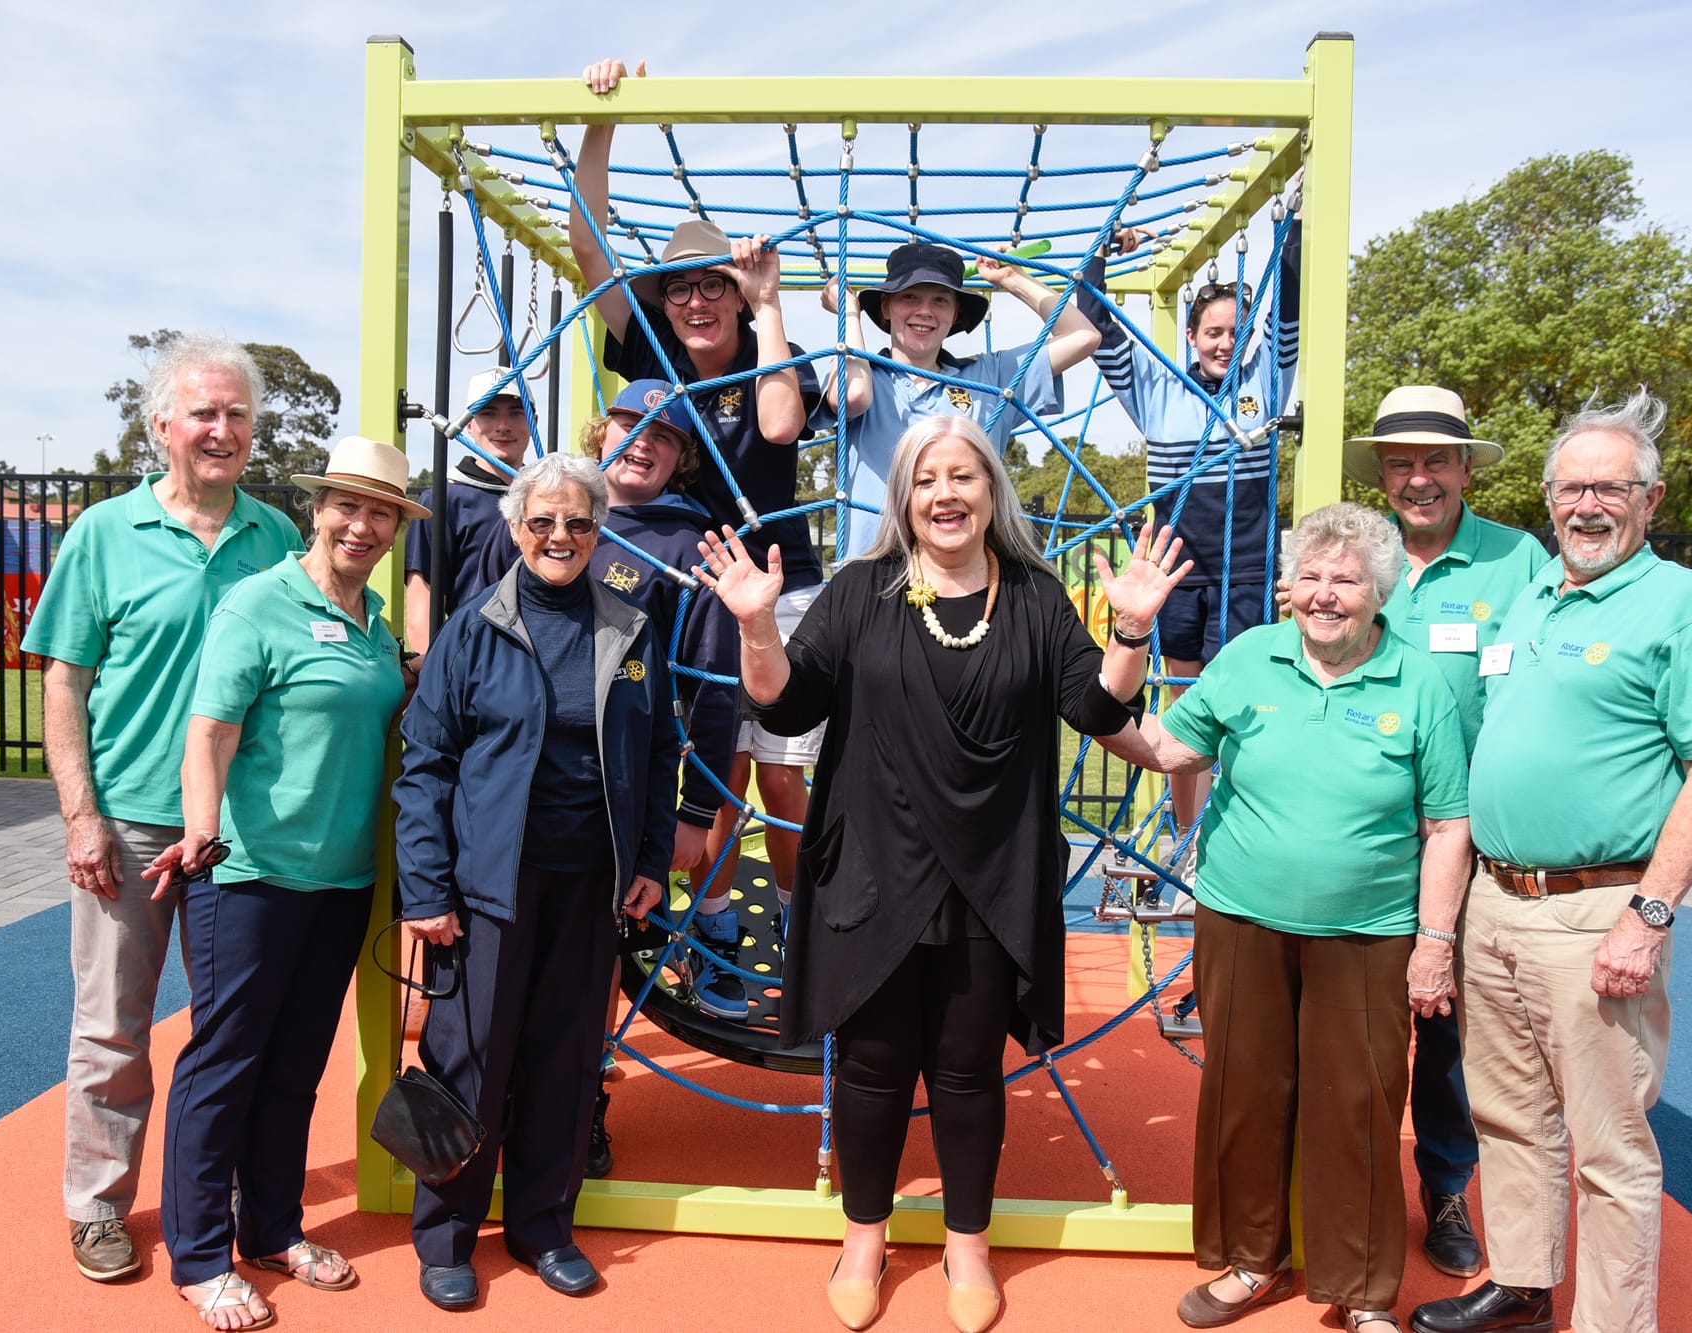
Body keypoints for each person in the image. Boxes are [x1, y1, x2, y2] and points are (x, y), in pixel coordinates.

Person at [696, 414, 1189, 1333]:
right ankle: (864, 1236)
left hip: (989, 872)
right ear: (905, 497)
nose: (946, 494)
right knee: (874, 1067)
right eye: (927, 480)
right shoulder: (860, 591)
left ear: (992, 490)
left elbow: (1092, 704)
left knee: (966, 1069)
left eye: (964, 476)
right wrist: (757, 623)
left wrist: (1128, 628)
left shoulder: (1036, 597)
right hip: (874, 868)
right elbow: (788, 698)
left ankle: (969, 1243)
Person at [1410, 391, 1692, 1333]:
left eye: (1610, 486)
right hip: (1497, 899)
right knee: (1510, 1116)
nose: (1586, 505)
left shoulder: (1683, 604)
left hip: (1597, 907)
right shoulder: (1532, 595)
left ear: (1652, 497)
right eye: (1570, 487)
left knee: (1609, 1143)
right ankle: (1522, 1284)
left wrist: (1648, 916)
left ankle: (1612, 1322)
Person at [1100, 502, 1472, 1332]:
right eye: (1311, 575)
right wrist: (1128, 637)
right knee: (1245, 1091)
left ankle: (1364, 1289)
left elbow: (1448, 825)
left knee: (1362, 1104)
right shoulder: (1249, 660)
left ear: (1378, 593)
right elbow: (1160, 746)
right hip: (1243, 918)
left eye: (1346, 578)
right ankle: (1250, 1260)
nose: (1326, 593)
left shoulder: (1418, 683)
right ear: (1287, 587)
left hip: (1370, 930)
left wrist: (1435, 944)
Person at [21, 333, 304, 1285]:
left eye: (236, 414)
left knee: (236, 1024)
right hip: (137, 817)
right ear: (161, 427)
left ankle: (214, 1182)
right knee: (113, 1021)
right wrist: (80, 815)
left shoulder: (278, 536)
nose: (221, 429)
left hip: (239, 826)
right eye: (203, 413)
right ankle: (99, 1201)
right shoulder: (104, 534)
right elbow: (66, 684)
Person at [144, 437, 424, 1330]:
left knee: (297, 1066)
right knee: (224, 1063)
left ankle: (270, 1227)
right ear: (319, 508)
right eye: (348, 504)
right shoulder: (258, 602)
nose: (362, 523)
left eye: (380, 511)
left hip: (341, 881)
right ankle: (197, 1257)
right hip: (249, 875)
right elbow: (210, 732)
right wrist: (199, 830)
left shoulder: (376, 623)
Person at [394, 452, 678, 1312]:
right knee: (468, 1059)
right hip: (489, 888)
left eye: (579, 522)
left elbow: (660, 748)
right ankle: (445, 1234)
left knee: (563, 1059)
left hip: (589, 882)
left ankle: (544, 1225)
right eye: (544, 521)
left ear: (598, 531)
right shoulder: (474, 626)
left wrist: (652, 862)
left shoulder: (628, 626)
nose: (561, 535)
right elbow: (427, 764)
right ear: (517, 528)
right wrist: (426, 887)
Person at [573, 57, 820, 949]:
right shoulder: (651, 360)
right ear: (663, 304)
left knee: (780, 774)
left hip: (776, 579)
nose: (698, 299)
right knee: (694, 759)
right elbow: (590, 249)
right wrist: (606, 119)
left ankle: (798, 924)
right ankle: (708, 919)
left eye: (714, 283)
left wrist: (770, 302)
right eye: (681, 287)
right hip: (682, 579)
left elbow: (783, 425)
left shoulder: (765, 344)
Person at [1341, 384, 1549, 1279]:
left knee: (1454, 1026)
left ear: (1466, 467)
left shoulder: (1518, 561)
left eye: (1436, 460)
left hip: (1465, 839)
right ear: (1381, 473)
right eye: (1401, 461)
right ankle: (1347, 1190)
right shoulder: (1358, 555)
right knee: (1353, 1022)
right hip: (1361, 834)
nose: (1418, 477)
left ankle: (1449, 1186)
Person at [1075, 212, 1301, 881]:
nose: (1225, 343)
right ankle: (1184, 835)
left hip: (1244, 569)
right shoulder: (1159, 390)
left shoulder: (1266, 385)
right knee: (1183, 705)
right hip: (1174, 571)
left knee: (1240, 702)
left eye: (1236, 331)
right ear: (1193, 337)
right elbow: (1096, 324)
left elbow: (1287, 312)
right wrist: (1101, 252)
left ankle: (1234, 831)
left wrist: (1285, 231)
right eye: (1213, 332)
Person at [586, 379, 743, 1021]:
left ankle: (583, 1094)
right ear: (602, 433)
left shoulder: (688, 546)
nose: (642, 445)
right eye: (630, 427)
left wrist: (696, 812)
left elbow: (713, 686)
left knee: (602, 940)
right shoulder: (557, 512)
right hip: (536, 768)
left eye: (663, 440)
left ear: (682, 460)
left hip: (626, 774)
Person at [817, 239, 1100, 559]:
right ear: (886, 306)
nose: (924, 311)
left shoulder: (990, 377)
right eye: (909, 296)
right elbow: (851, 397)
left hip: (967, 579)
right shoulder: (862, 372)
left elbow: (1083, 336)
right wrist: (849, 314)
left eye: (940, 300)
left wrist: (1014, 280)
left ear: (955, 314)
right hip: (874, 576)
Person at [403, 366, 531, 652]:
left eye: (515, 412)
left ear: (532, 420)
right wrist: (438, 676)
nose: (502, 425)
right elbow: (422, 608)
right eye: (487, 413)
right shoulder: (444, 500)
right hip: (474, 657)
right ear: (469, 425)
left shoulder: (545, 498)